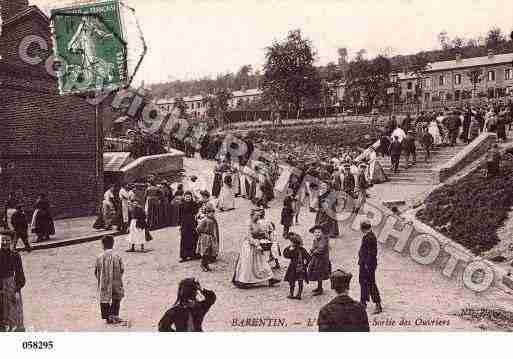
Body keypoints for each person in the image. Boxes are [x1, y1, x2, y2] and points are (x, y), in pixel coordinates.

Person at [232, 208, 280, 288]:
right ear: (252, 215)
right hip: (249, 246)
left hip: (257, 245)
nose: (258, 217)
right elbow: (248, 236)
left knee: (262, 262)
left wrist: (266, 236)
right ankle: (244, 281)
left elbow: (261, 231)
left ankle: (270, 278)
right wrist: (256, 244)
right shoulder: (248, 223)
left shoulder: (257, 223)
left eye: (259, 216)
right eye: (256, 216)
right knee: (248, 264)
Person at [94, 235, 125, 325]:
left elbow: (96, 270)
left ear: (103, 245)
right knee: (117, 297)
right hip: (116, 281)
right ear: (113, 244)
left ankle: (107, 317)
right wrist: (118, 277)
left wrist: (99, 278)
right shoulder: (117, 256)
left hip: (104, 281)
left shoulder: (99, 257)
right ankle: (114, 314)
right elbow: (122, 268)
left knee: (104, 298)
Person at [0, 231, 26, 331]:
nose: (5, 243)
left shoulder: (15, 256)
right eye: (2, 240)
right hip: (1, 286)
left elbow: (20, 275)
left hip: (12, 286)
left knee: (15, 312)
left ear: (11, 242)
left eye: (7, 240)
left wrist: (17, 289)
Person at [358, 221, 383, 314]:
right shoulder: (368, 236)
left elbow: (372, 254)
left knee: (371, 284)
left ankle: (378, 304)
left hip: (368, 265)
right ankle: (363, 302)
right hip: (364, 264)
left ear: (363, 229)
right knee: (362, 282)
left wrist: (366, 265)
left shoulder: (370, 238)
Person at [283, 233, 311, 300]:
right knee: (297, 281)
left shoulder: (295, 250)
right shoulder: (302, 249)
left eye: (291, 242)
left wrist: (289, 249)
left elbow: (286, 255)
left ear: (295, 243)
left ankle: (295, 293)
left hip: (294, 268)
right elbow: (309, 258)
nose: (290, 243)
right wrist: (305, 265)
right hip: (300, 268)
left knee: (293, 280)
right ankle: (296, 294)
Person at [307, 224, 331, 296]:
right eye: (315, 232)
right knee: (316, 272)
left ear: (322, 233)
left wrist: (313, 252)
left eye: (319, 232)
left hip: (322, 260)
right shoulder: (315, 240)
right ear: (313, 233)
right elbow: (314, 247)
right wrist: (311, 251)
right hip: (317, 259)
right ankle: (318, 287)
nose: (317, 234)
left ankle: (320, 289)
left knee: (320, 273)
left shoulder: (324, 240)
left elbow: (321, 249)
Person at [196, 203, 220, 272]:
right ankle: (203, 264)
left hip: (210, 238)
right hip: (205, 238)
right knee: (205, 252)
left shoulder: (213, 220)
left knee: (209, 252)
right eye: (210, 213)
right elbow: (198, 228)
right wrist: (203, 233)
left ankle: (206, 264)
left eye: (213, 213)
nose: (212, 214)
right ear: (207, 213)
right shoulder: (204, 220)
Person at [179, 191, 200, 262]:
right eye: (186, 197)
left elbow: (197, 211)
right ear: (184, 197)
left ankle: (192, 254)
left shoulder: (194, 204)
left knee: (193, 238)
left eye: (189, 197)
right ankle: (184, 256)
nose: (188, 198)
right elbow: (179, 216)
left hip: (192, 223)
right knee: (184, 239)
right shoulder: (181, 205)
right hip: (184, 224)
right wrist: (179, 225)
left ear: (191, 197)